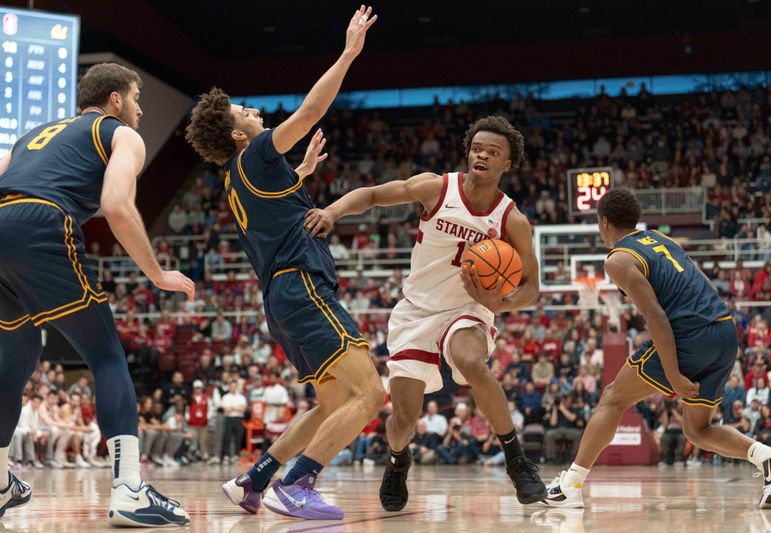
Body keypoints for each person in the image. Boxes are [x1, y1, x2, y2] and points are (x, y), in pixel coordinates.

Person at [186, 7, 384, 521]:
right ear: (237, 136)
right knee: (369, 392)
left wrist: (300, 172)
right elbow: (310, 112)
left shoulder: (239, 178)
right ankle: (298, 483)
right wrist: (348, 54)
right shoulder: (254, 156)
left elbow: (273, 217)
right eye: (245, 113)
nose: (254, 113)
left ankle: (255, 480)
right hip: (303, 287)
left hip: (282, 298)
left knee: (331, 402)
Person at [305, 114, 547, 511]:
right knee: (402, 420)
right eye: (477, 148)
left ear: (508, 163)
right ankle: (399, 459)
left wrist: (498, 304)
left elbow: (531, 288)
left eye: (493, 152)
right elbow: (371, 195)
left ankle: (517, 461)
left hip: (468, 308)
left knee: (472, 361)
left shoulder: (512, 220)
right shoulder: (437, 188)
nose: (482, 155)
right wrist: (332, 213)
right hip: (416, 312)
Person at [0, 62, 193, 525]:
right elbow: (116, 206)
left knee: (15, 358)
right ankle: (129, 490)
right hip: (42, 223)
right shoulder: (120, 134)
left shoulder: (32, 135)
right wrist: (157, 272)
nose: (141, 111)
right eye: (137, 99)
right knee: (106, 356)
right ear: (115, 101)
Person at [539, 188, 771, 510]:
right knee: (697, 430)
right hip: (725, 330)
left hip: (690, 335)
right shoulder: (665, 242)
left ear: (602, 222)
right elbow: (705, 284)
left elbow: (657, 317)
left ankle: (570, 486)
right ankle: (767, 457)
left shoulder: (619, 259)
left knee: (613, 397)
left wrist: (673, 374)